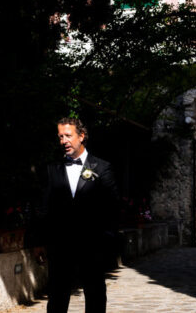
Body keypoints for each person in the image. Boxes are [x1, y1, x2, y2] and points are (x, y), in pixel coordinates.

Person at [38, 117, 119, 313]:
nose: (63, 141)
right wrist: (41, 241)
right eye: (60, 137)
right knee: (57, 296)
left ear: (81, 136)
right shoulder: (52, 169)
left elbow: (112, 206)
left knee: (95, 295)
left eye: (68, 135)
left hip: (92, 245)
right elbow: (43, 207)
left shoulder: (102, 167)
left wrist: (107, 239)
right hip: (60, 246)